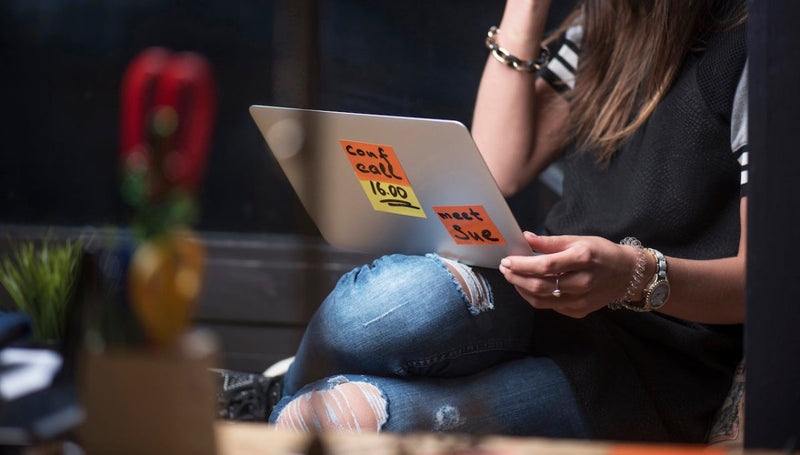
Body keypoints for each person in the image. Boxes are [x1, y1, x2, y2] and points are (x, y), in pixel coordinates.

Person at [265, 0, 748, 442]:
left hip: (654, 364)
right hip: (552, 302)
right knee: (384, 303)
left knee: (338, 416)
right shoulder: (609, 21)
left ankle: (264, 405)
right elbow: (499, 165)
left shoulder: (754, 42)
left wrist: (631, 274)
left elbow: (763, 285)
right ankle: (267, 402)